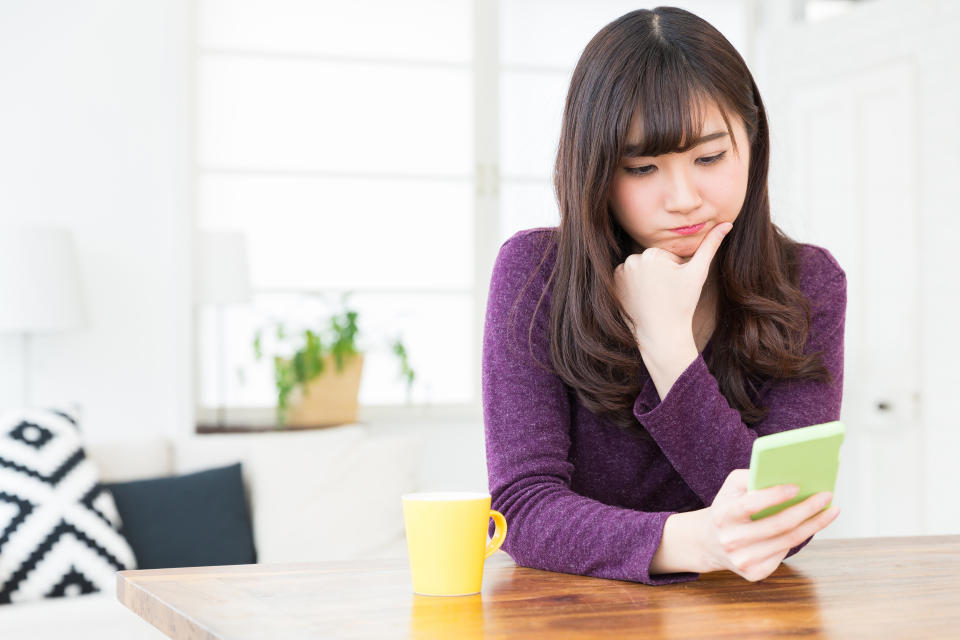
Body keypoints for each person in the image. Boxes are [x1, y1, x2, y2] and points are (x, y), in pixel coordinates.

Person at [482, 6, 845, 585]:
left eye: (709, 158)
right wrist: (695, 542)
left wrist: (670, 347)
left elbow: (784, 518)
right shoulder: (536, 272)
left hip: (743, 615)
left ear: (751, 141)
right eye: (643, 166)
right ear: (595, 170)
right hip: (576, 615)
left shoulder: (806, 282)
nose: (683, 197)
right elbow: (521, 508)